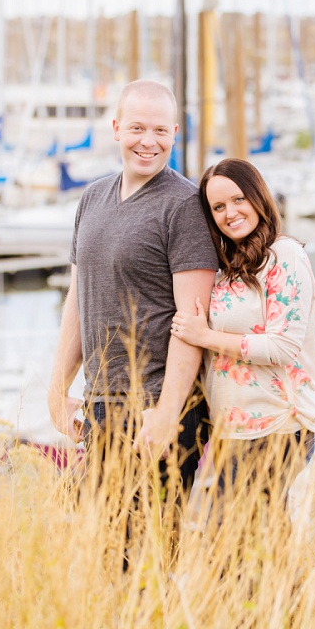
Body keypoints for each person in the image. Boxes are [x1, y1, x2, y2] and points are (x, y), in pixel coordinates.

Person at [47, 79, 218, 501]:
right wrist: (57, 389)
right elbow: (78, 299)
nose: (149, 141)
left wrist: (166, 414)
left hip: (157, 410)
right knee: (105, 551)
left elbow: (191, 321)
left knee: (152, 552)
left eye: (161, 131)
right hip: (99, 404)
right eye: (138, 128)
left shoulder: (184, 206)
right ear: (117, 128)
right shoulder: (91, 198)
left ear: (175, 134)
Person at [169, 157, 315, 509]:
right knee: (259, 548)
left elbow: (283, 345)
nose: (230, 213)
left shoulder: (284, 255)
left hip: (278, 425)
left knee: (236, 547)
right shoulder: (229, 269)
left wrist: (205, 336)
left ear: (258, 196)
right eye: (218, 207)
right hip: (235, 431)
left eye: (238, 199)